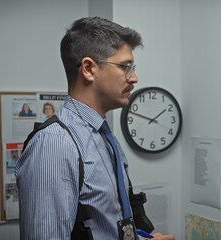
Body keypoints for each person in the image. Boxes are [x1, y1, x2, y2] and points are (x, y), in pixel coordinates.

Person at [15, 17, 175, 240]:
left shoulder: (105, 136)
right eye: (125, 67)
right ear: (89, 69)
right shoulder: (55, 145)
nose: (134, 78)